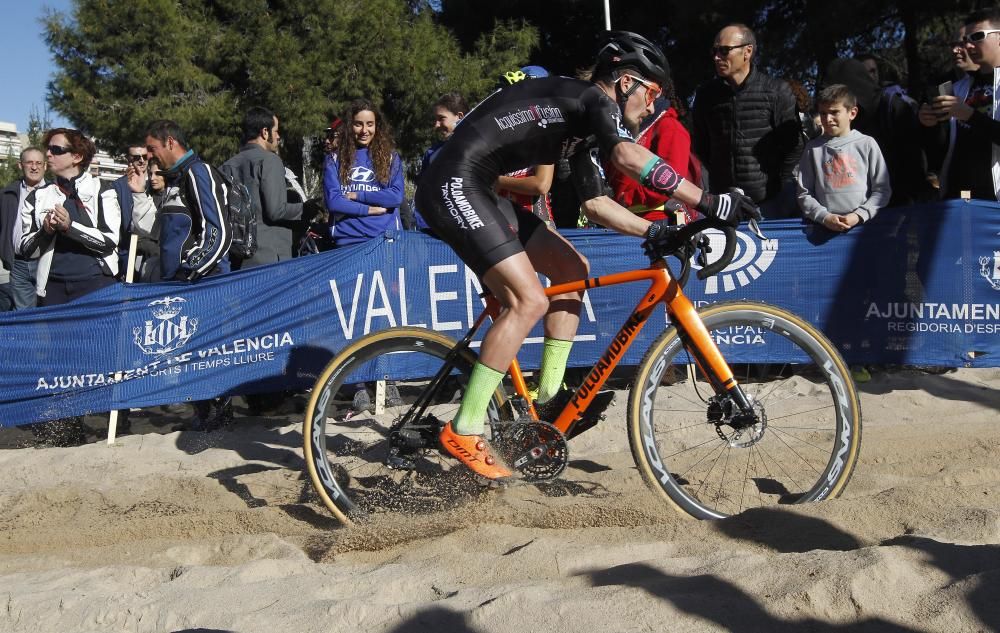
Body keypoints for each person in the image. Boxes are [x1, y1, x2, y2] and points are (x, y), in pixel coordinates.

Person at [414, 30, 759, 479]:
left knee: (572, 268)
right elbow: (630, 158)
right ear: (626, 81)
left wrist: (658, 230)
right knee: (529, 300)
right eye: (652, 93)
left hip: (480, 187)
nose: (653, 106)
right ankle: (465, 426)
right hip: (454, 182)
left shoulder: (579, 127)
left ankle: (548, 395)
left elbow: (594, 204)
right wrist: (709, 202)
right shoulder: (588, 99)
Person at [16, 129, 126, 445]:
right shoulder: (40, 195)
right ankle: (70, 428)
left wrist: (70, 226)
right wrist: (46, 229)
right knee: (61, 359)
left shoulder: (103, 189)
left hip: (96, 283)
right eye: (48, 149)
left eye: (55, 149)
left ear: (76, 156)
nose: (47, 154)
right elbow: (24, 247)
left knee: (100, 357)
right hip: (53, 288)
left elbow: (109, 241)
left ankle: (115, 422)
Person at [133, 119, 233, 430]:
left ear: (171, 143)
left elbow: (218, 232)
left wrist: (192, 274)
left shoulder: (197, 172)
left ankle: (221, 416)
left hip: (204, 284)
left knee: (210, 353)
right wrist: (138, 194)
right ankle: (203, 414)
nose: (149, 156)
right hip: (179, 287)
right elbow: (160, 233)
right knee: (188, 354)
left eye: (152, 149)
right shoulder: (175, 179)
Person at [692, 23, 803, 219]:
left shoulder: (777, 90)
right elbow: (701, 145)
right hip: (723, 202)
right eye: (714, 50)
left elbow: (793, 146)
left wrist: (779, 186)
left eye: (724, 50)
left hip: (770, 203)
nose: (717, 57)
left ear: (747, 51)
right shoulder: (705, 95)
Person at [918, 9, 1000, 201]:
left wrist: (970, 115)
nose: (969, 45)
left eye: (977, 36)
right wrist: (928, 125)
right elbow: (941, 149)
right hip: (960, 198)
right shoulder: (956, 88)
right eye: (966, 40)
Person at [606, 61, 696, 224]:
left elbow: (671, 183)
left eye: (653, 94)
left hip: (657, 222)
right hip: (621, 221)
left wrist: (623, 199)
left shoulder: (670, 127)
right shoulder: (624, 126)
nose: (650, 107)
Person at [222, 106, 311, 270]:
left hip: (238, 258)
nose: (278, 136)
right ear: (265, 132)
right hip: (270, 257)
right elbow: (276, 210)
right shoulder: (269, 160)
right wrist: (307, 209)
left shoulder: (227, 166)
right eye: (276, 131)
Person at [796, 84, 891, 232]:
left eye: (834, 112)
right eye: (823, 113)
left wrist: (858, 215)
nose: (828, 119)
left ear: (852, 113)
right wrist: (824, 217)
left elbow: (882, 190)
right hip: (822, 230)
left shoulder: (867, 144)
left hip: (864, 230)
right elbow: (804, 193)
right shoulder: (812, 149)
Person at [324, 99, 404, 247]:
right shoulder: (334, 158)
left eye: (370, 124)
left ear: (377, 126)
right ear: (349, 126)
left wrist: (358, 195)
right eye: (358, 124)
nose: (364, 130)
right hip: (348, 241)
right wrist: (369, 210)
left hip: (385, 241)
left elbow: (395, 196)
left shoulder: (390, 156)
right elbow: (334, 202)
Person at [496, 66, 556, 227]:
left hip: (538, 224)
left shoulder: (543, 133)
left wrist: (499, 181)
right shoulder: (499, 138)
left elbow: (541, 184)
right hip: (505, 226)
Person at [0, 148, 47, 310]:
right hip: (18, 263)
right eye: (29, 162)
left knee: (48, 310)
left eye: (38, 163)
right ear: (20, 165)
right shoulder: (7, 194)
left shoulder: (56, 193)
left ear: (45, 166)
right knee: (24, 314)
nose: (34, 167)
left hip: (46, 263)